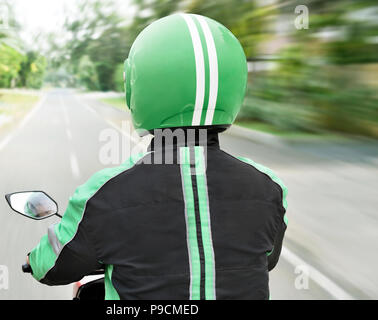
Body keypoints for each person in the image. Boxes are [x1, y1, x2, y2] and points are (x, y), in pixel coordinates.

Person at [26, 13, 287, 300]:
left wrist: (35, 258)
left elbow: (50, 267)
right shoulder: (269, 188)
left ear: (137, 88)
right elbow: (268, 259)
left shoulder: (103, 194)